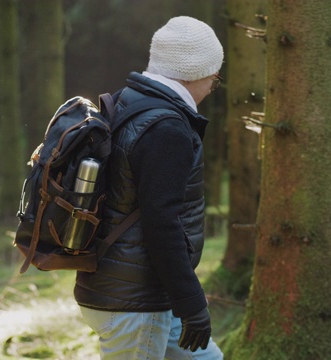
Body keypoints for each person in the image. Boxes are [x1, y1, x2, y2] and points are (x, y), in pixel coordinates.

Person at [75, 16, 224, 359]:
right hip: (134, 303)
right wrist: (192, 303)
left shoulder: (129, 100)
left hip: (141, 290)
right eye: (214, 80)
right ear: (196, 73)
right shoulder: (166, 129)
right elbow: (161, 222)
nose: (210, 90)